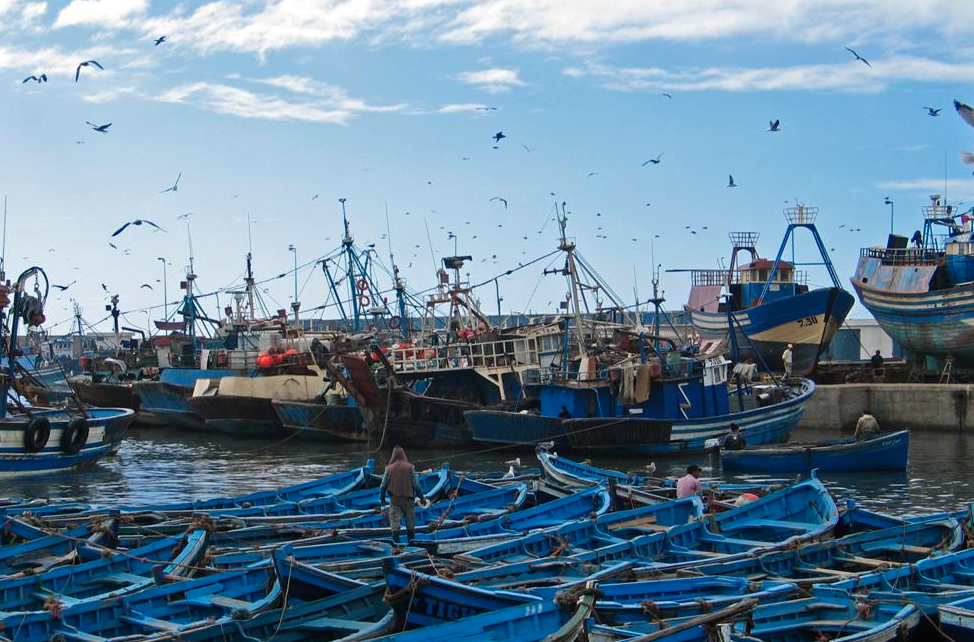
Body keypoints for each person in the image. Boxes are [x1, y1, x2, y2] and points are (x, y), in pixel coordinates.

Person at [379, 446, 427, 544]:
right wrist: (422, 498)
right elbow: (416, 486)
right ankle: (412, 544)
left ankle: (395, 546)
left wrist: (382, 499)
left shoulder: (388, 469)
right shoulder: (410, 468)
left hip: (394, 500)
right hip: (409, 500)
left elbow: (382, 487)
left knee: (395, 524)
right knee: (410, 524)